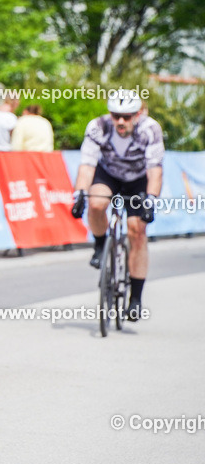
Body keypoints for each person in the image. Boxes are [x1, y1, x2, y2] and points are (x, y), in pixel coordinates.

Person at [70, 90, 163, 321]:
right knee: (97, 202)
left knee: (137, 230)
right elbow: (87, 164)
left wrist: (150, 200)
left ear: (138, 114)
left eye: (127, 116)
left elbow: (155, 170)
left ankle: (136, 298)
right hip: (108, 174)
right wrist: (80, 193)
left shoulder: (150, 129)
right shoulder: (98, 126)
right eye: (116, 115)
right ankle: (101, 245)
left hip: (137, 179)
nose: (121, 121)